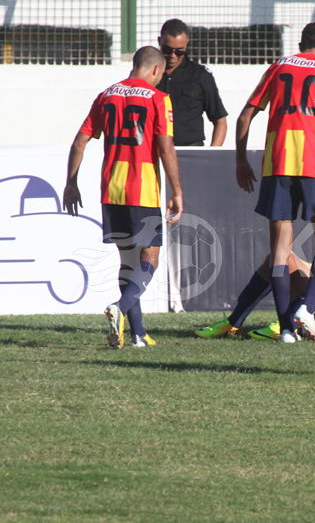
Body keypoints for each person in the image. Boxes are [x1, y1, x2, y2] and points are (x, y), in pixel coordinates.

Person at [235, 21, 315, 343]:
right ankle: (307, 308)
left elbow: (245, 116)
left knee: (280, 249)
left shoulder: (277, 67)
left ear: (300, 43)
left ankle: (285, 330)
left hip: (277, 162)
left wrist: (240, 160)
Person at [63, 46, 183, 349]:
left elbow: (79, 142)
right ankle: (121, 306)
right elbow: (165, 147)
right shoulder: (158, 98)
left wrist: (71, 183)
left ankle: (137, 334)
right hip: (140, 187)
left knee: (127, 261)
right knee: (150, 257)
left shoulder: (106, 95)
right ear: (155, 70)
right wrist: (177, 191)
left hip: (111, 188)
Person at [156, 18, 228, 146]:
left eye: (179, 51)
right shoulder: (149, 74)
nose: (173, 56)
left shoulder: (200, 75)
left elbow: (220, 121)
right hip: (155, 150)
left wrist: (211, 154)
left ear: (187, 44)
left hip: (190, 150)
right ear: (159, 41)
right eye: (167, 50)